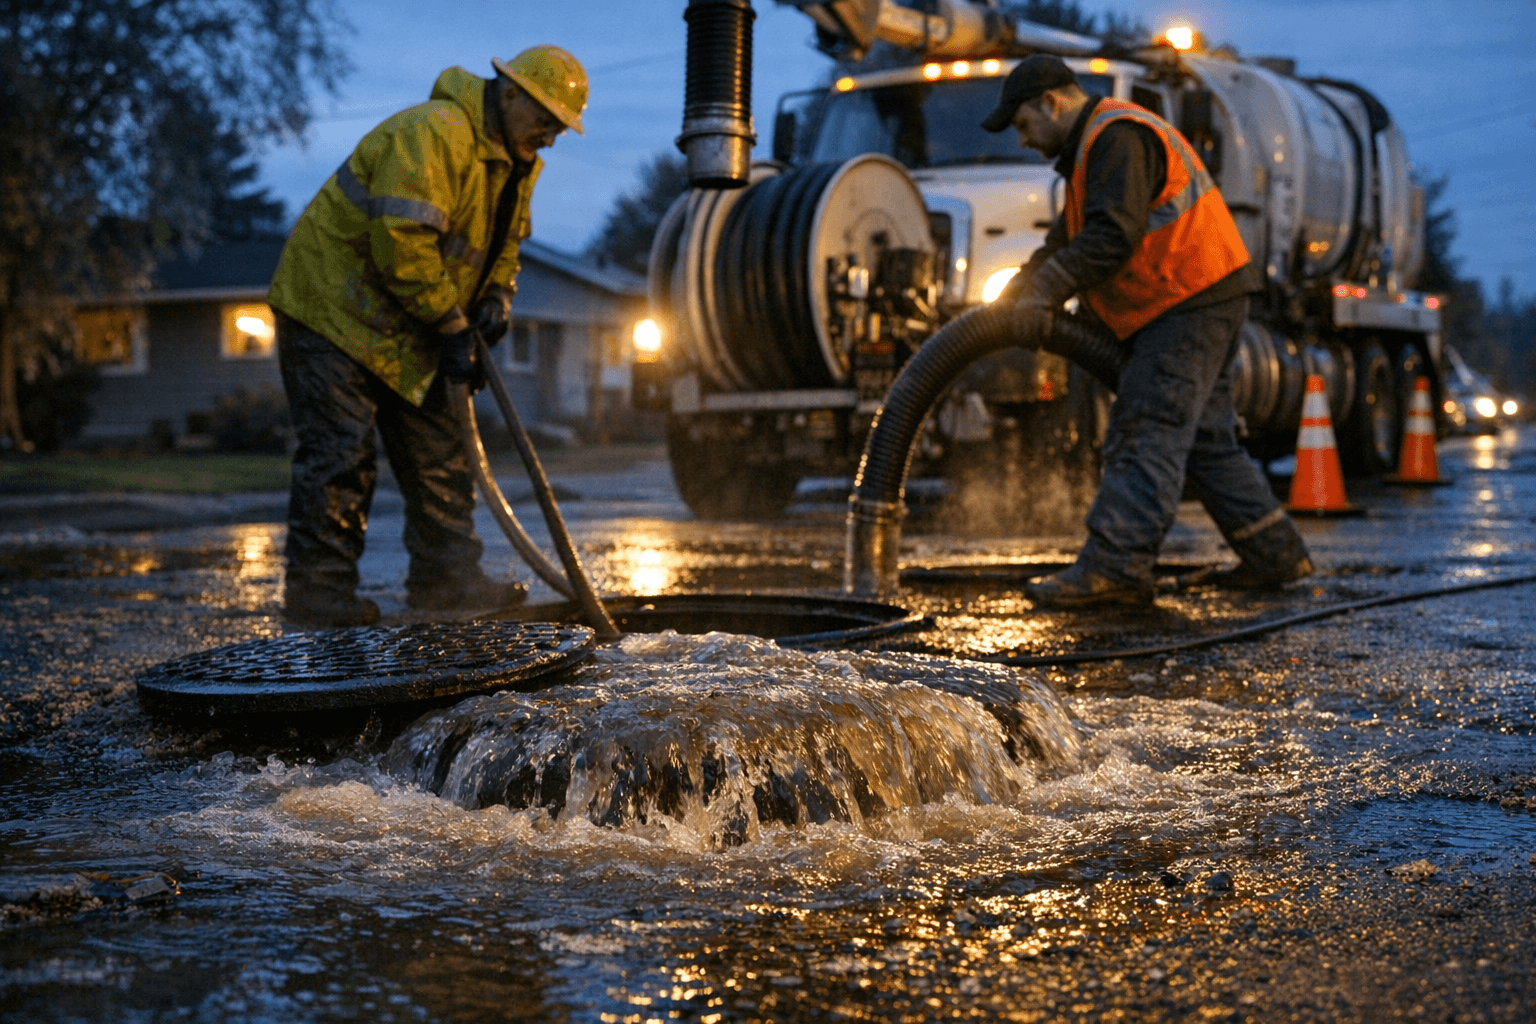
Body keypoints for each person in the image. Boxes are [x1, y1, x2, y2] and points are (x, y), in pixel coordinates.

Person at [267, 47, 588, 627]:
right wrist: (451, 323)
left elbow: (506, 248)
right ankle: (319, 596)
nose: (551, 136)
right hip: (333, 311)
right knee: (342, 452)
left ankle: (447, 581)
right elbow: (404, 241)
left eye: (560, 127)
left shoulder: (516, 167)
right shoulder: (436, 132)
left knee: (441, 451)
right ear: (510, 93)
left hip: (406, 322)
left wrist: (494, 299)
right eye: (546, 119)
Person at [979, 55, 1312, 608]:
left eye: (1022, 125)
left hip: (1185, 299)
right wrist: (1020, 291)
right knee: (1206, 443)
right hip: (1200, 296)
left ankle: (1115, 567)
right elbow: (1065, 244)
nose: (1022, 140)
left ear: (1050, 103)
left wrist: (1044, 294)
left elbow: (1112, 239)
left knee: (1146, 427)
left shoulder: (1117, 138)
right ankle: (1276, 555)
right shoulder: (1090, 154)